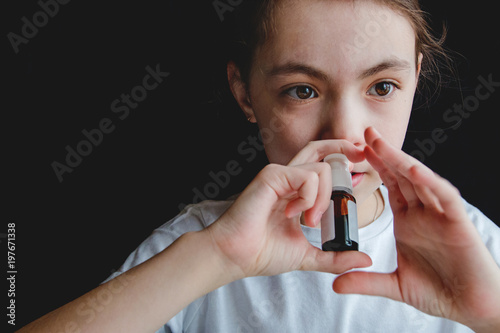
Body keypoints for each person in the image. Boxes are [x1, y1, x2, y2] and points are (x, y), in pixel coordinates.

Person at [19, 0, 500, 332]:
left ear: (415, 78)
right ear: (245, 93)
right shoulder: (200, 244)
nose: (346, 134)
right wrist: (218, 258)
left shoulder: (476, 246)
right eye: (303, 91)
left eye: (381, 87)